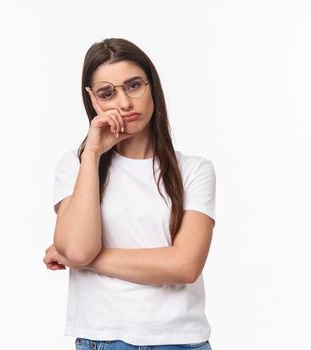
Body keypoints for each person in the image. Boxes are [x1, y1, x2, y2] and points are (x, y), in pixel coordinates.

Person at [44, 38, 216, 350]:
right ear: (92, 99)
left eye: (134, 85)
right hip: (105, 339)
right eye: (108, 93)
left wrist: (78, 259)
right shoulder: (77, 166)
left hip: (181, 341)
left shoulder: (194, 170)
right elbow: (80, 249)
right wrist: (93, 153)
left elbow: (185, 266)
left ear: (152, 86)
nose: (124, 103)